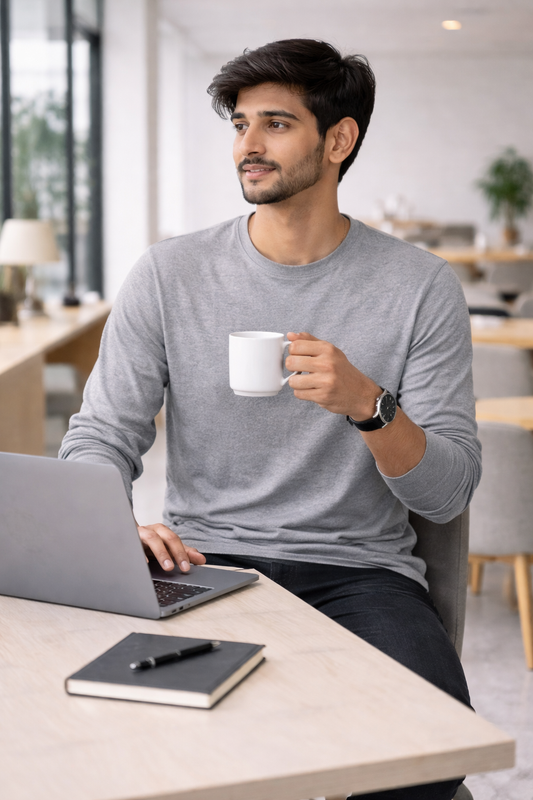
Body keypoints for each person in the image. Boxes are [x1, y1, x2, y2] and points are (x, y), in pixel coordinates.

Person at [60, 39, 481, 800]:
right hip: (202, 560)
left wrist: (367, 404)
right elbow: (103, 432)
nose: (247, 147)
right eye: (239, 124)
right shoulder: (168, 273)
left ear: (338, 139)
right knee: (126, 743)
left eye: (276, 124)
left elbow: (446, 494)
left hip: (359, 572)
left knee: (431, 754)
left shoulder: (420, 287)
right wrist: (105, 523)